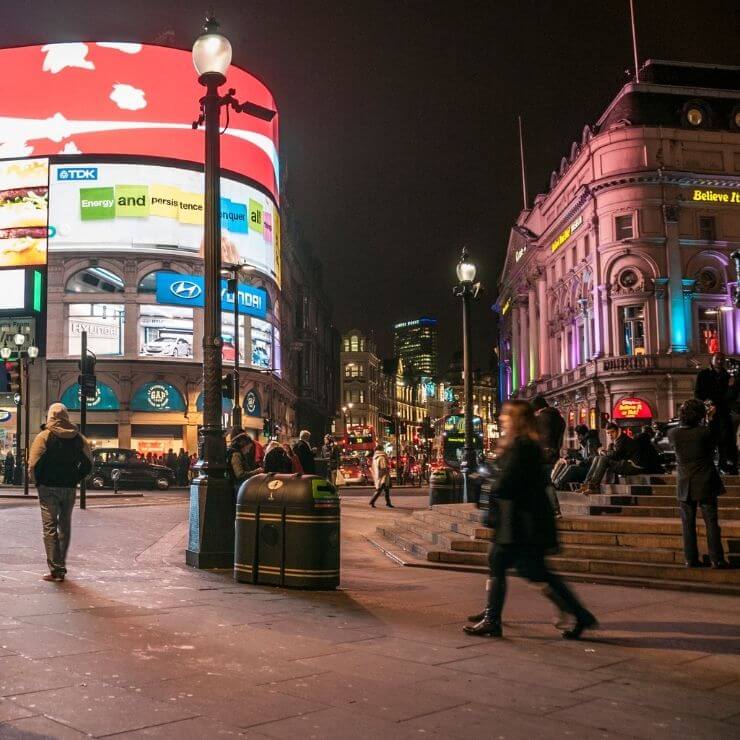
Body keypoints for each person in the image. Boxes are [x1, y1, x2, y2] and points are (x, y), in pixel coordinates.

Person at [464, 401, 596, 639]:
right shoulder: (518, 444)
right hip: (515, 520)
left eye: (506, 416)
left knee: (525, 569)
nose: (502, 419)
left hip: (522, 521)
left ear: (517, 419)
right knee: (516, 566)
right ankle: (492, 616)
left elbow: (508, 483)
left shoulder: (523, 446)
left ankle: (493, 619)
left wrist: (488, 481)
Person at [28, 403, 92, 583]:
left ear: (50, 416)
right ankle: (61, 565)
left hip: (48, 487)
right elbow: (89, 463)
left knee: (49, 527)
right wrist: (76, 479)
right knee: (65, 526)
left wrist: (37, 481)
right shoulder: (78, 438)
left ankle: (56, 569)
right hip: (69, 488)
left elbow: (33, 463)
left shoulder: (44, 436)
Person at [669, 399, 729, 568]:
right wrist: (710, 419)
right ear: (700, 415)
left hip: (684, 483)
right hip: (705, 481)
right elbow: (717, 440)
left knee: (687, 524)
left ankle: (690, 559)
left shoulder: (673, 434)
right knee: (711, 522)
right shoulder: (705, 432)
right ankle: (717, 559)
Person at [695, 353, 738, 474]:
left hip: (724, 412)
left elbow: (732, 397)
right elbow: (698, 393)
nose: (720, 361)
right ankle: (708, 466)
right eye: (717, 359)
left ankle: (723, 465)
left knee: (726, 439)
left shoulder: (728, 376)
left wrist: (730, 386)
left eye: (722, 359)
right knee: (709, 439)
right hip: (710, 413)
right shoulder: (704, 374)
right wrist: (707, 403)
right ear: (712, 360)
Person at [580, 422, 642, 491]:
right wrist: (606, 450)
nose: (610, 435)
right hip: (624, 463)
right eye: (608, 433)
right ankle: (586, 484)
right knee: (597, 457)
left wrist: (602, 452)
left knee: (603, 459)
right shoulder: (617, 440)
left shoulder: (622, 439)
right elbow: (613, 454)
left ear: (617, 430)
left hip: (632, 465)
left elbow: (615, 455)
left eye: (612, 432)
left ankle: (593, 486)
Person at [531, 396, 565, 516]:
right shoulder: (559, 417)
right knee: (543, 480)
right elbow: (559, 437)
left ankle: (555, 510)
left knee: (545, 481)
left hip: (544, 453)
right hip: (554, 452)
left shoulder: (543, 417)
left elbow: (543, 436)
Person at [552, 424, 601, 490]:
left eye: (578, 435)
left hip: (589, 471)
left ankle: (557, 483)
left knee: (572, 468)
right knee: (565, 463)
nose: (577, 437)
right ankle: (554, 482)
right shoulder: (584, 443)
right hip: (584, 467)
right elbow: (582, 456)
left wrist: (577, 461)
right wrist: (570, 456)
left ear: (582, 435)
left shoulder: (590, 442)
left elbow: (591, 459)